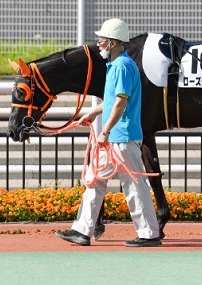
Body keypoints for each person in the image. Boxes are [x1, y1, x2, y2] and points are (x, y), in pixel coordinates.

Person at [56, 18, 161, 247]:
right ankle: (82, 231)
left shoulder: (122, 66)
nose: (99, 43)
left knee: (133, 185)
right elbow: (113, 100)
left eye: (102, 39)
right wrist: (93, 112)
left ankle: (149, 234)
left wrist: (104, 130)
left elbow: (121, 103)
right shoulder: (116, 65)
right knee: (95, 180)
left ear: (113, 43)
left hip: (121, 136)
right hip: (115, 136)